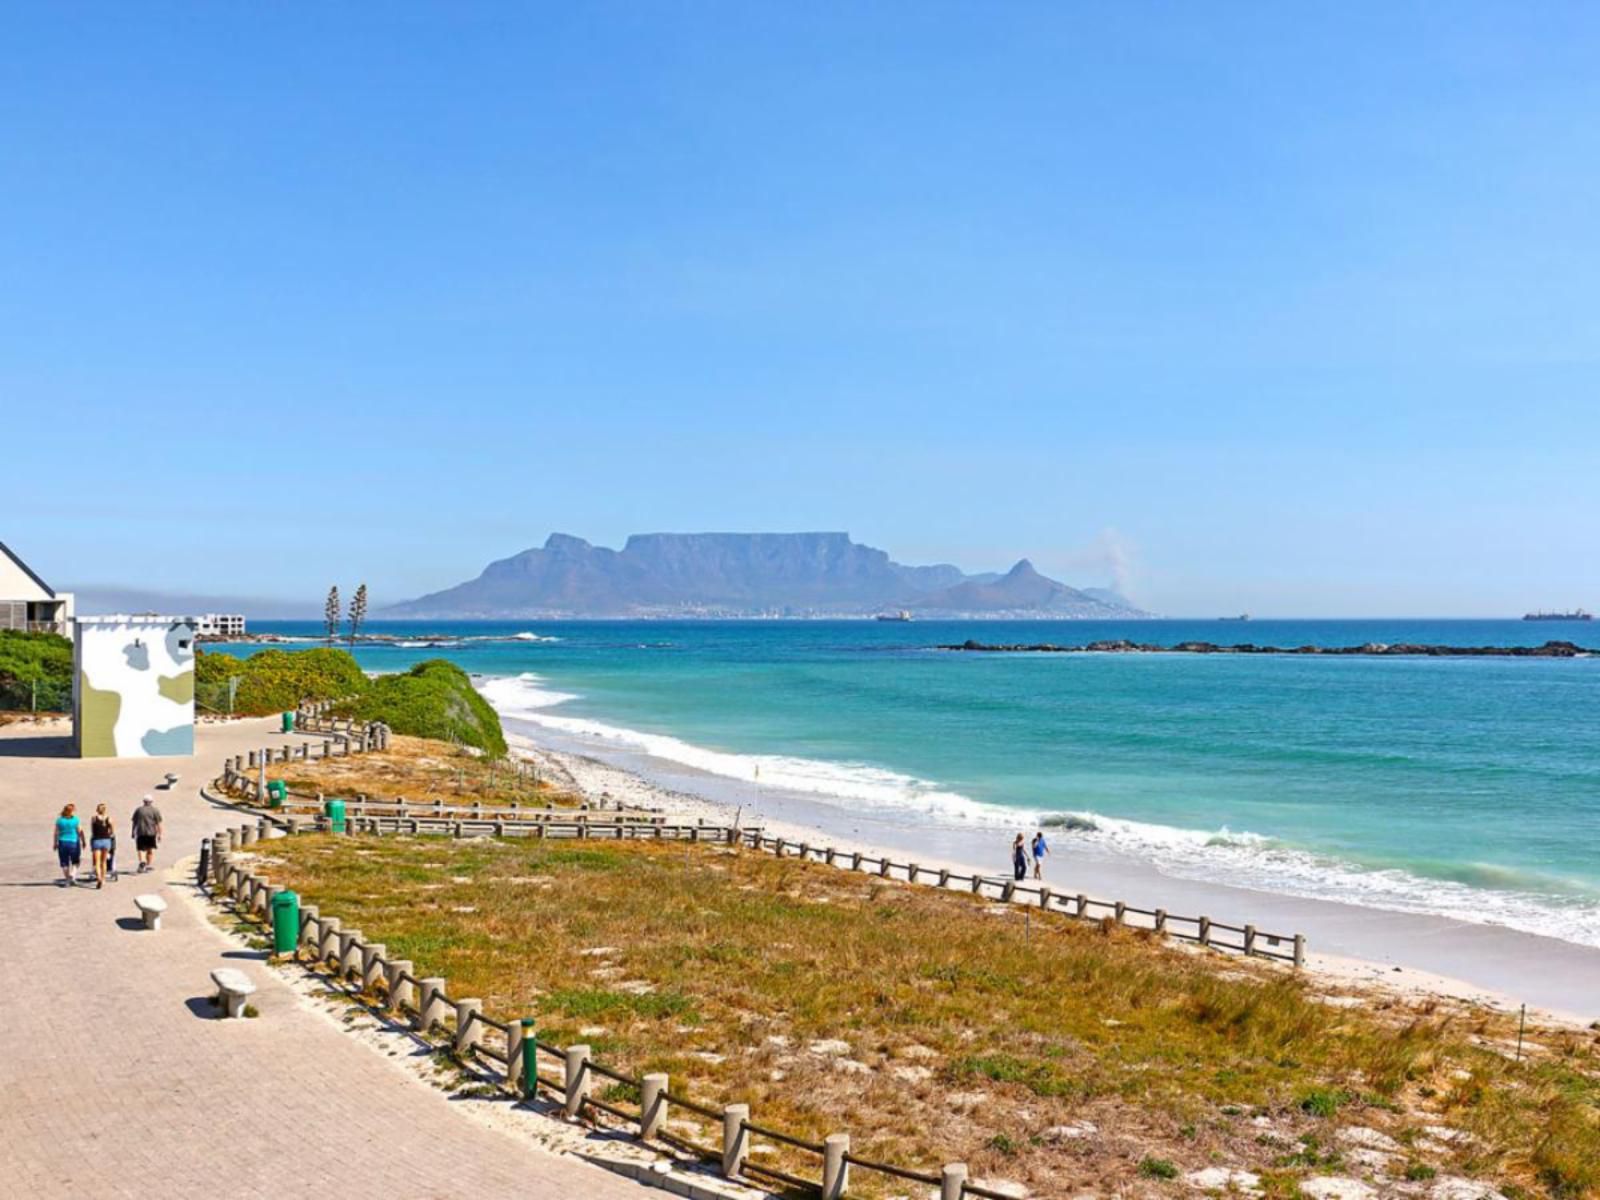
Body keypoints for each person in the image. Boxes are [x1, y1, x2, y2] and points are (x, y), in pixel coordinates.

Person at [54, 804, 84, 887]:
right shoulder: (75, 820)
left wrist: (55, 843)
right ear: (72, 811)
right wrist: (83, 841)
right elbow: (80, 831)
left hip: (62, 842)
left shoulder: (59, 820)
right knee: (76, 861)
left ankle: (68, 880)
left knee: (64, 862)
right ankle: (73, 874)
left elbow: (56, 833)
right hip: (74, 842)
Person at [131, 795, 163, 873]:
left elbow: (134, 822)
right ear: (151, 802)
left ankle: (142, 862)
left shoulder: (138, 810)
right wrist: (160, 834)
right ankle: (148, 865)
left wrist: (133, 831)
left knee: (140, 849)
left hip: (141, 832)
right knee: (150, 849)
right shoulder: (155, 810)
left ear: (143, 801)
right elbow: (158, 823)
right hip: (151, 833)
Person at [89, 803, 115, 889]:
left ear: (97, 810)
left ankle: (99, 878)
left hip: (97, 840)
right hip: (106, 840)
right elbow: (112, 831)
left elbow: (92, 831)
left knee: (97, 862)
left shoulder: (94, 818)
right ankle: (103, 879)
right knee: (104, 862)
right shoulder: (109, 818)